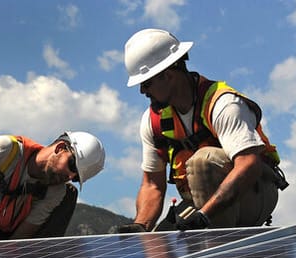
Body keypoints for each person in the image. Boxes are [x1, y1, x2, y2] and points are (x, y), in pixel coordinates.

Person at [113, 29, 287, 233]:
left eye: (146, 83)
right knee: (161, 248)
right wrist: (140, 226)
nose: (143, 91)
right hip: (198, 201)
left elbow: (249, 164)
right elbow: (152, 184)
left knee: (202, 161)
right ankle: (203, 240)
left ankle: (216, 253)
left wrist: (204, 216)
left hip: (254, 192)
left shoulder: (222, 104)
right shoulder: (154, 121)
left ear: (168, 75)